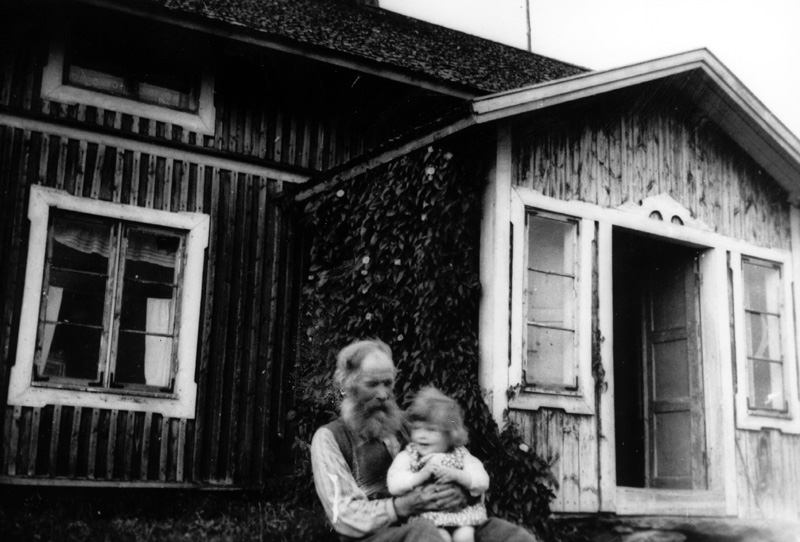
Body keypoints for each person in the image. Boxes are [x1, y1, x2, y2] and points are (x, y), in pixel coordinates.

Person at [310, 339, 539, 542]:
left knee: (507, 535)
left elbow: (462, 464)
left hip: (440, 523)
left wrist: (462, 492)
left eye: (387, 383)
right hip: (378, 536)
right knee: (424, 534)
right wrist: (402, 506)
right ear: (347, 386)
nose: (383, 394)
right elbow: (344, 516)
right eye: (372, 384)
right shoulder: (330, 438)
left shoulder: (413, 426)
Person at [387, 387, 488, 542]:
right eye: (417, 428)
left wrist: (459, 476)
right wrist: (419, 477)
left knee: (465, 536)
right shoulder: (409, 455)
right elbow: (394, 484)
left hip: (460, 516)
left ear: (450, 434)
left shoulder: (461, 455)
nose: (422, 435)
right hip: (425, 520)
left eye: (431, 430)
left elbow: (482, 481)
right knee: (439, 538)